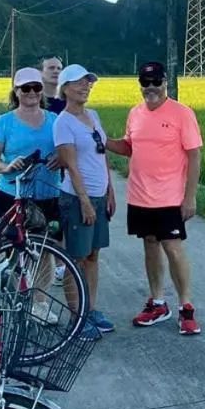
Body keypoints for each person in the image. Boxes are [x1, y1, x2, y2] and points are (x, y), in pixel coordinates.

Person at [104, 60, 203, 335]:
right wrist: (103, 140)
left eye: (155, 82)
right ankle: (158, 302)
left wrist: (189, 197)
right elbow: (128, 147)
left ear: (165, 82)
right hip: (139, 195)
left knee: (172, 247)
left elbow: (194, 156)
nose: (150, 88)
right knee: (150, 244)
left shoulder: (182, 114)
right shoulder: (135, 114)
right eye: (145, 83)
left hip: (170, 196)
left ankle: (186, 307)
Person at [52, 65, 115, 334]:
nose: (85, 87)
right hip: (78, 199)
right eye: (79, 83)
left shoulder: (93, 115)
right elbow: (71, 165)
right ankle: (76, 318)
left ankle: (90, 309)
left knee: (93, 255)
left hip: (100, 196)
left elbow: (103, 155)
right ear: (65, 88)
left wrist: (110, 190)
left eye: (88, 83)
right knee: (75, 258)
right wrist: (85, 200)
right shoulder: (63, 122)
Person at [0, 67, 62, 222]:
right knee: (11, 244)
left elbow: (73, 150)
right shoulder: (4, 122)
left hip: (50, 195)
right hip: (13, 196)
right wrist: (7, 167)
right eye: (26, 88)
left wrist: (62, 157)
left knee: (50, 244)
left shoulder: (55, 120)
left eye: (37, 87)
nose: (32, 92)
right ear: (16, 91)